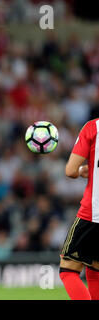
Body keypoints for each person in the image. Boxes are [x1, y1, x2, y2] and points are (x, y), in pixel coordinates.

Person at [59, 118, 99, 300]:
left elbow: (70, 170)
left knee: (68, 270)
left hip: (93, 213)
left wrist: (83, 170)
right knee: (95, 270)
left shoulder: (93, 127)